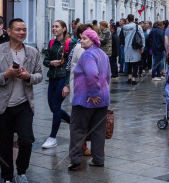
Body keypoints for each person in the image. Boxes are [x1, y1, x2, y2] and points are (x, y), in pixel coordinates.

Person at [0, 19, 42, 183]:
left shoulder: (32, 52)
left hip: (24, 104)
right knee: (4, 145)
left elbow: (40, 75)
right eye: (18, 29)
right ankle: (7, 180)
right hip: (2, 106)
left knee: (26, 141)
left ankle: (22, 173)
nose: (22, 32)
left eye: (24, 30)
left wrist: (28, 76)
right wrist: (6, 74)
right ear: (9, 31)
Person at [68, 29, 111, 170]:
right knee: (98, 130)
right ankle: (98, 159)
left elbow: (92, 74)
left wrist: (93, 94)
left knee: (78, 129)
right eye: (81, 38)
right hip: (103, 99)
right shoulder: (103, 54)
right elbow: (108, 77)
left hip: (86, 99)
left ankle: (75, 160)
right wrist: (101, 92)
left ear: (92, 40)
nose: (81, 40)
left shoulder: (88, 55)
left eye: (85, 38)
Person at [41, 20, 75, 149]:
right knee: (53, 107)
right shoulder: (51, 43)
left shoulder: (70, 44)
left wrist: (67, 85)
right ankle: (73, 124)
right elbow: (45, 60)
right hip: (52, 78)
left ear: (64, 29)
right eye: (53, 26)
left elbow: (71, 66)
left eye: (57, 27)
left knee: (55, 106)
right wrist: (51, 63)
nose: (54, 28)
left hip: (62, 78)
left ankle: (52, 138)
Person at [121, 14, 144, 85]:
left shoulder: (124, 27)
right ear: (133, 19)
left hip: (127, 47)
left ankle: (129, 77)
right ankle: (134, 78)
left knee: (128, 62)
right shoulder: (138, 27)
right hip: (135, 47)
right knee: (135, 63)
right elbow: (142, 37)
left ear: (127, 19)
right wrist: (142, 47)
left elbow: (122, 37)